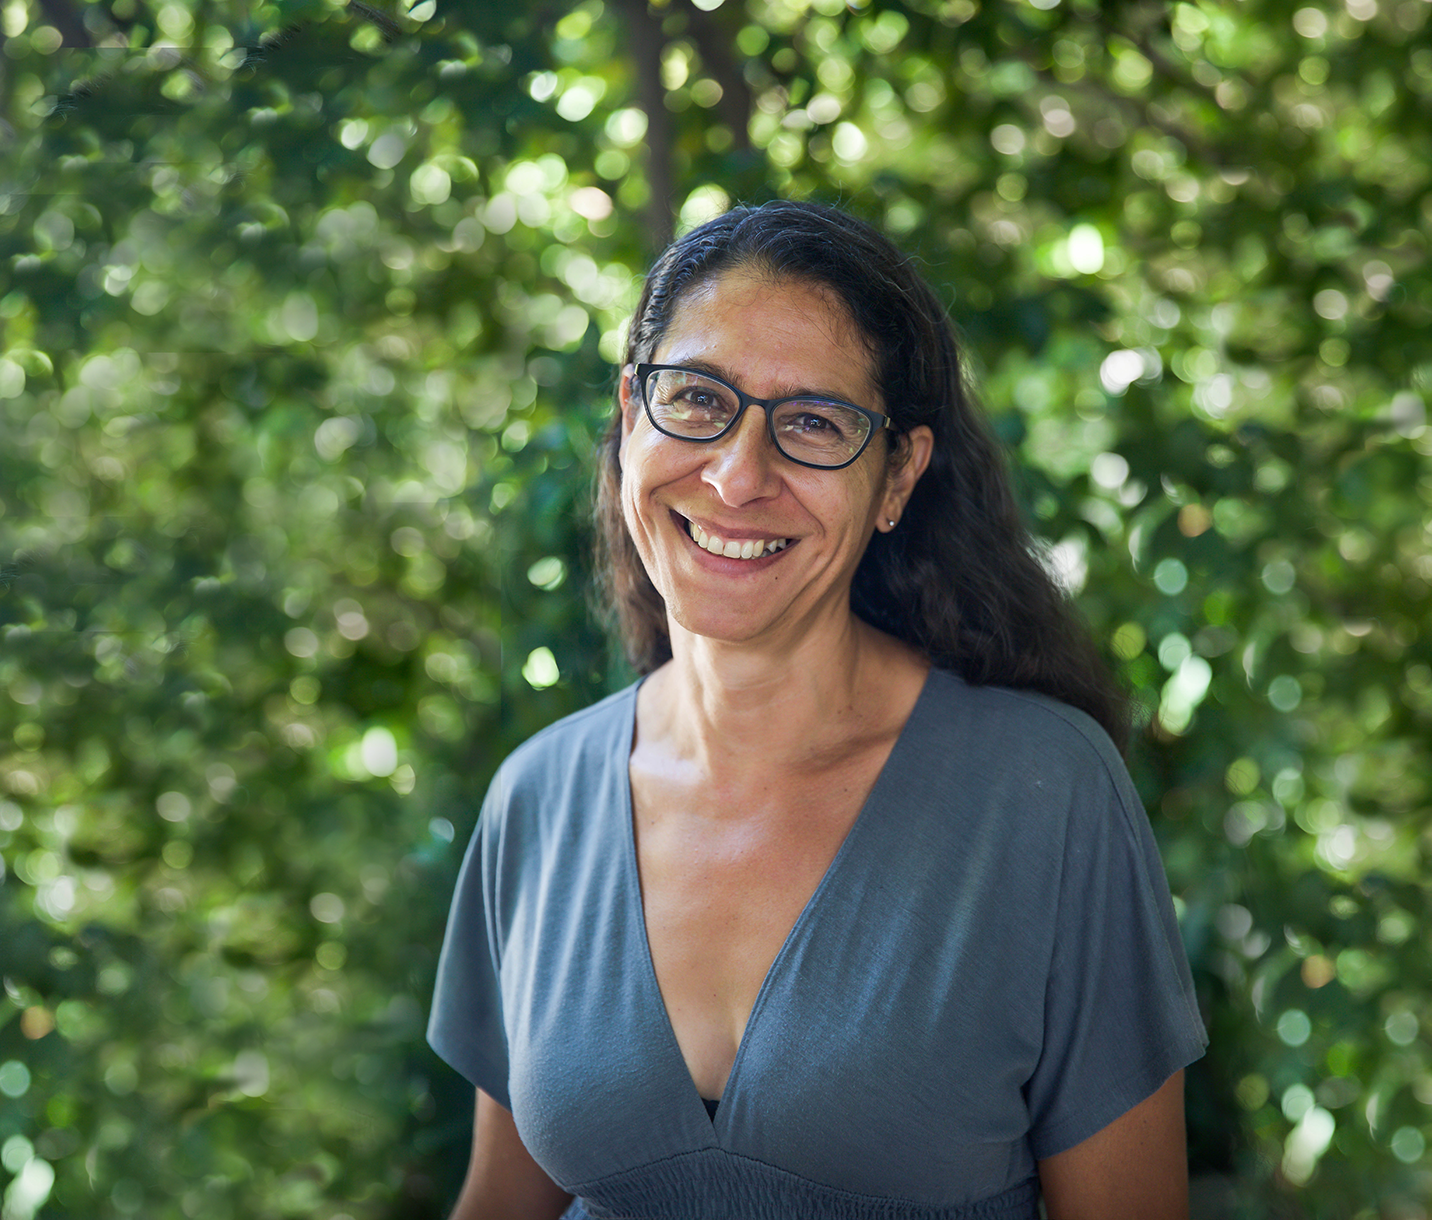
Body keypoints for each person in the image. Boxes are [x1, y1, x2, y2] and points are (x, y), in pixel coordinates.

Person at [427, 199, 1206, 1220]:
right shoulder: (538, 796)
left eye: (812, 423)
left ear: (898, 479)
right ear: (629, 418)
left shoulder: (1043, 792)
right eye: (697, 398)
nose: (740, 474)